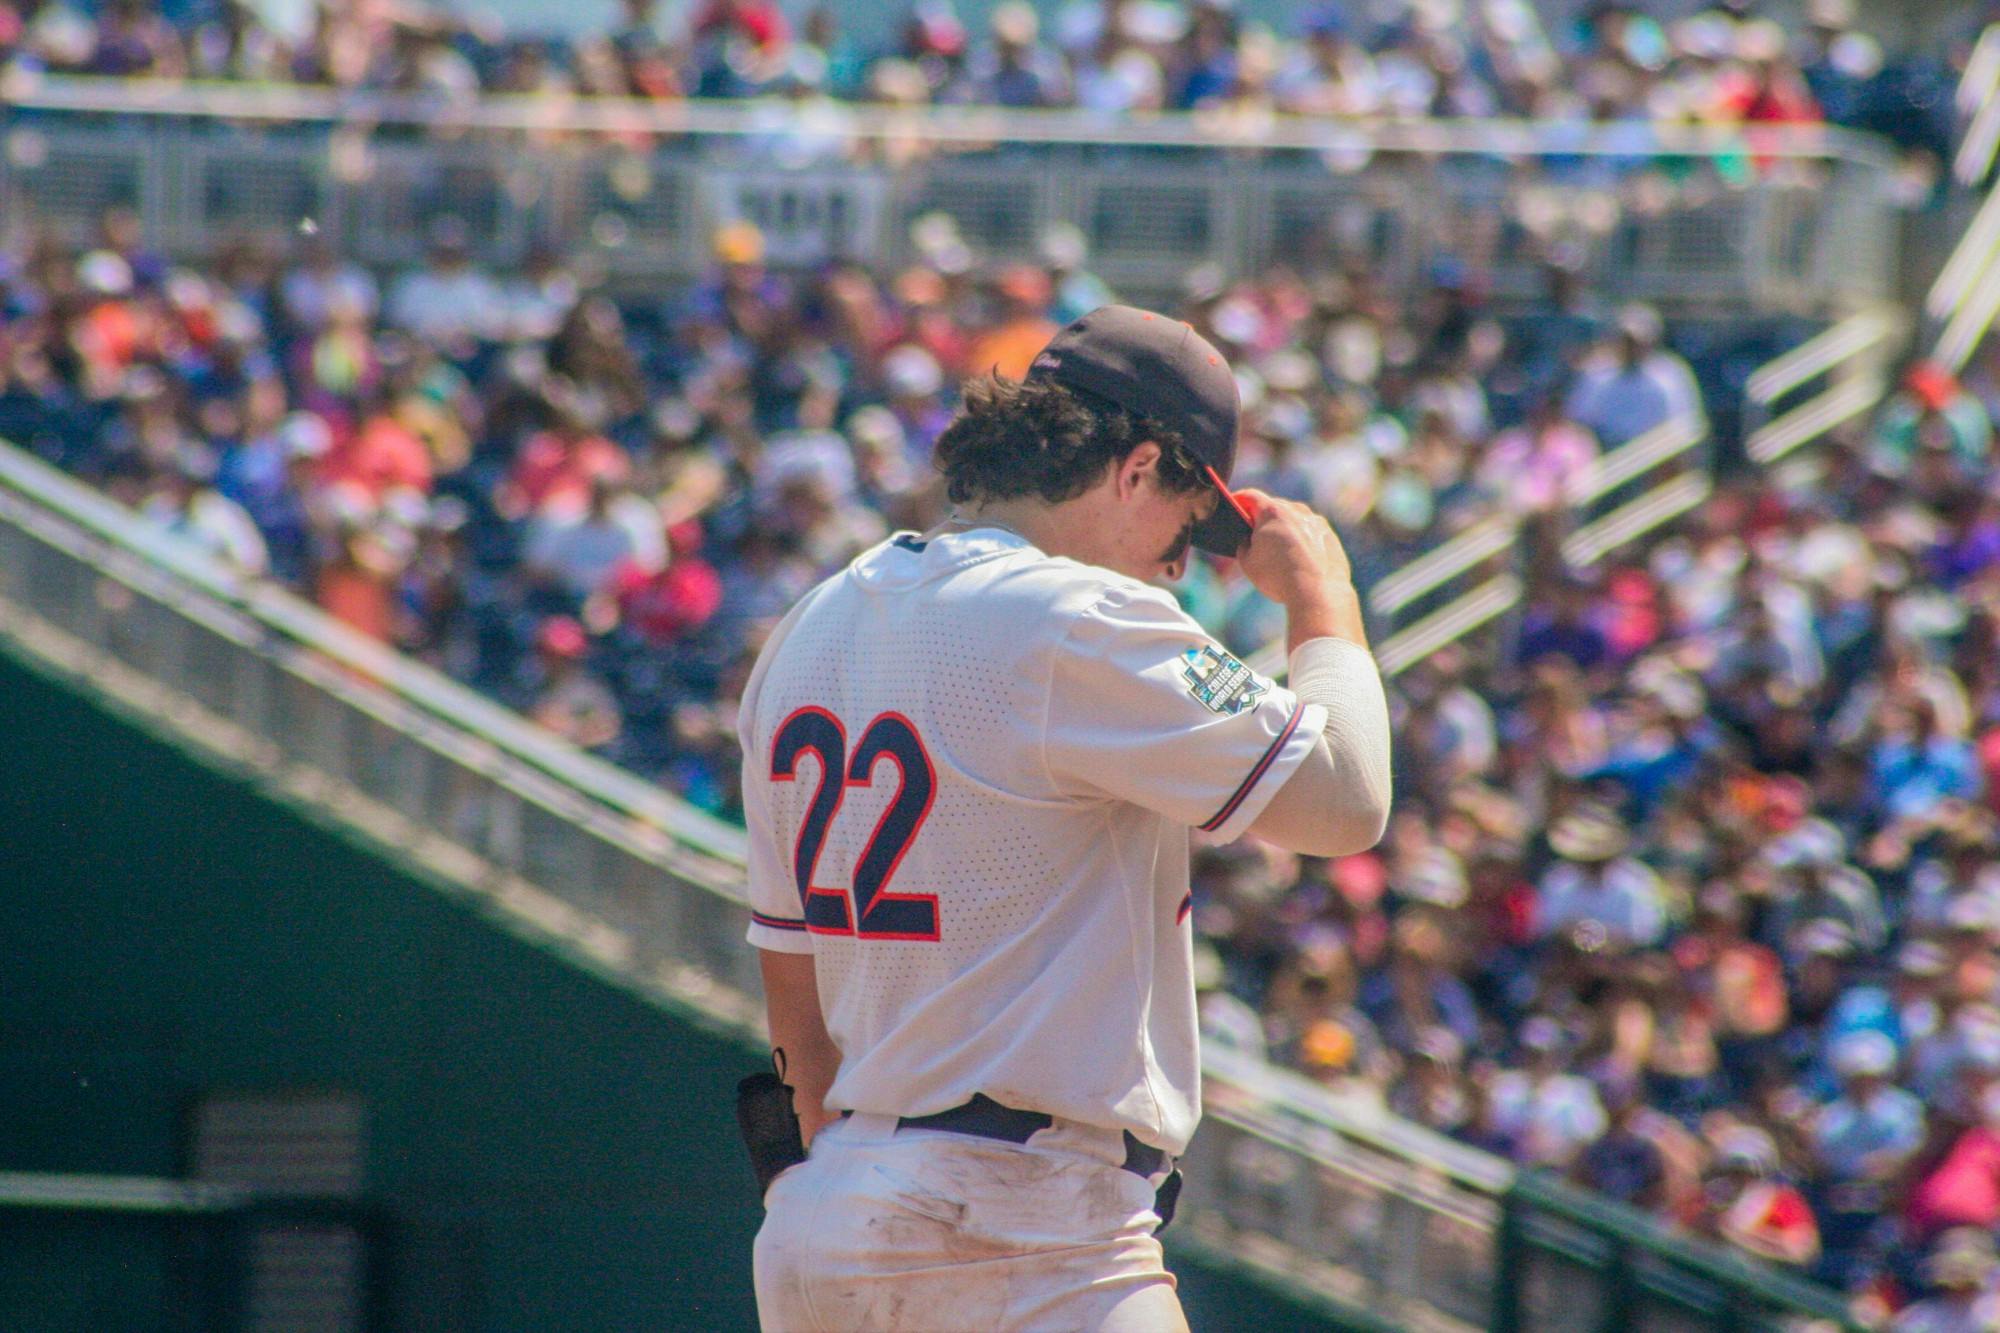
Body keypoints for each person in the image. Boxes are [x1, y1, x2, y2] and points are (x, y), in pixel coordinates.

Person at [740, 306, 1392, 1330]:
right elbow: (1347, 796)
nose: (1178, 568)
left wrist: (847, 1193)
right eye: (1185, 529)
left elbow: (794, 993)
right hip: (1031, 1225)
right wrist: (1323, 592)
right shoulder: (1074, 616)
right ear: (1136, 470)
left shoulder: (809, 625)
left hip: (828, 1223)